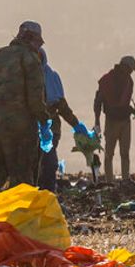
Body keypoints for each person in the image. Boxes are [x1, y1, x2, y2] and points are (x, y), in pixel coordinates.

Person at [0, 21, 50, 197]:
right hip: (20, 128)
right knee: (21, 173)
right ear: (32, 40)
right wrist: (44, 124)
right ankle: (19, 216)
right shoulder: (30, 59)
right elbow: (36, 98)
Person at [38, 49, 91, 192]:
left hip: (51, 130)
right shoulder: (23, 78)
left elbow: (62, 106)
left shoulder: (51, 77)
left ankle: (47, 194)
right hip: (29, 130)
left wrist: (76, 125)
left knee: (49, 163)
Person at [93, 56, 135, 182]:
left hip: (125, 121)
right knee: (109, 153)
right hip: (111, 121)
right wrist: (97, 121)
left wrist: (134, 110)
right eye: (130, 69)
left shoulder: (129, 81)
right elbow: (98, 102)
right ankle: (109, 181)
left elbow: (125, 103)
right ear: (124, 66)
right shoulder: (107, 80)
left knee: (125, 153)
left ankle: (125, 179)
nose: (131, 72)